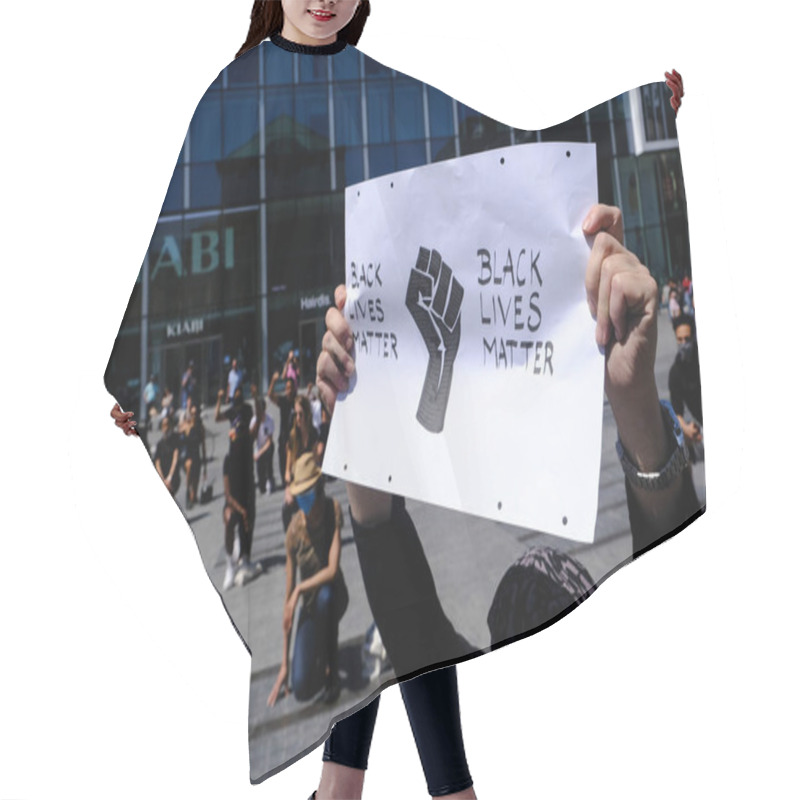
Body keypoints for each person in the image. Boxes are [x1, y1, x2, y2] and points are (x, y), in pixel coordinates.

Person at [268, 453, 349, 706]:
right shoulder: (293, 532)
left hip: (333, 595)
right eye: (301, 498)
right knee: (301, 687)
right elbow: (288, 603)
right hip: (310, 606)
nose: (307, 504)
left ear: (319, 488)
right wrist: (284, 665)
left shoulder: (332, 509)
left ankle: (332, 675)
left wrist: (300, 589)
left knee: (326, 597)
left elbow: (333, 569)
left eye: (310, 495)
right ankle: (318, 656)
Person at [282, 394, 323, 531]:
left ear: (307, 414)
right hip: (297, 482)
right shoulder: (293, 438)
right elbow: (288, 470)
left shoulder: (313, 435)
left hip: (311, 481)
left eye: (301, 414)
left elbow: (317, 465)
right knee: (286, 508)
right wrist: (288, 487)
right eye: (296, 415)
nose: (298, 419)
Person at [669, 313, 703, 459]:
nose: (684, 344)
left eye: (687, 339)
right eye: (680, 340)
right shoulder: (676, 372)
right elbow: (678, 413)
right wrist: (687, 429)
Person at [268, 370, 297, 488]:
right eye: (287, 388)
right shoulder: (283, 401)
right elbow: (270, 395)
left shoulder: (297, 401)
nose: (288, 390)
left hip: (295, 439)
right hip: (284, 438)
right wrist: (273, 381)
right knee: (283, 467)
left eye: (290, 387)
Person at [179, 399, 206, 508]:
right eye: (192, 413)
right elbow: (178, 431)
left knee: (196, 481)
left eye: (196, 413)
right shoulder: (186, 425)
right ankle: (187, 493)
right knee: (189, 467)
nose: (194, 415)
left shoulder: (200, 427)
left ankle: (193, 494)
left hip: (197, 456)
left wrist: (205, 464)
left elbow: (203, 445)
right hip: (187, 456)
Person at [250, 390, 276, 495]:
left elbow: (269, 440)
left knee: (268, 455)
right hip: (258, 446)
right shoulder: (253, 421)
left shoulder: (269, 420)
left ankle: (270, 478)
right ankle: (262, 483)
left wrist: (260, 452)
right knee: (259, 467)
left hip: (267, 446)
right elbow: (251, 437)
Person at [153, 415, 180, 498]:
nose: (166, 427)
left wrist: (169, 478)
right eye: (163, 425)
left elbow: (175, 458)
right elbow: (157, 463)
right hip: (163, 477)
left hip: (173, 476)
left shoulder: (175, 440)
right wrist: (163, 480)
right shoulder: (159, 445)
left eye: (167, 424)